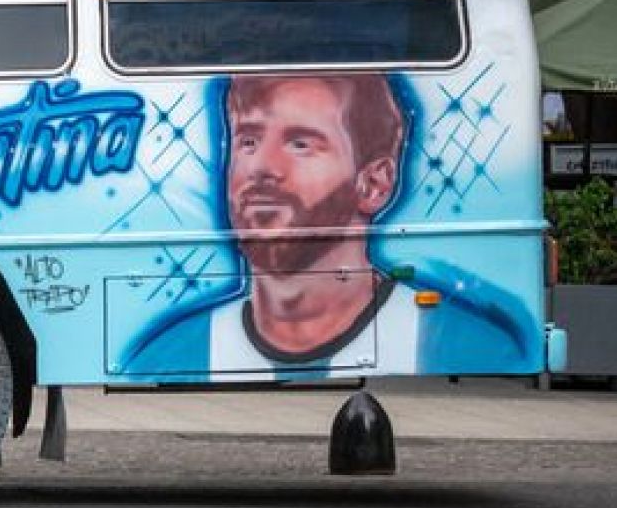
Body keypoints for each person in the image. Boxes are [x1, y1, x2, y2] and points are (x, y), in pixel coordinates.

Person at [124, 74, 525, 375]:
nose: (261, 168)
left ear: (374, 183)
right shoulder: (168, 355)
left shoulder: (457, 341)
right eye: (248, 141)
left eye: (301, 144)